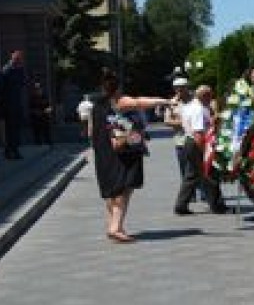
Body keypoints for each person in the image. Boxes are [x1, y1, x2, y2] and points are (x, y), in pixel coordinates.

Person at [90, 68, 169, 243]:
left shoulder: (97, 105)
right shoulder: (118, 101)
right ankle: (115, 227)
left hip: (103, 152)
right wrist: (165, 101)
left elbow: (91, 132)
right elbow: (140, 102)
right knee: (124, 189)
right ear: (117, 87)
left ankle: (114, 224)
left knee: (111, 191)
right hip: (123, 152)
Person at [174, 84, 229, 215]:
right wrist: (205, 150)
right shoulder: (199, 109)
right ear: (204, 96)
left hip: (189, 142)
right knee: (210, 173)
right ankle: (217, 205)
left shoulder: (190, 106)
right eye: (210, 95)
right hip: (197, 142)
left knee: (191, 175)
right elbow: (198, 132)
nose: (212, 98)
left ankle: (181, 205)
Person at [0, 50, 26, 159]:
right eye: (17, 58)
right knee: (10, 129)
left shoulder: (20, 70)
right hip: (8, 104)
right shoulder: (6, 70)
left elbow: (22, 84)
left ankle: (15, 150)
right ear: (12, 58)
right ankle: (9, 151)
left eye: (20, 58)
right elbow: (1, 89)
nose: (19, 60)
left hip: (17, 103)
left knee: (16, 128)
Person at [28, 80, 52, 145]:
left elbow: (49, 107)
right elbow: (30, 108)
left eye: (39, 88)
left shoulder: (45, 97)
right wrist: (35, 112)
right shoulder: (32, 98)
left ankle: (48, 142)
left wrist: (47, 110)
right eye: (36, 89)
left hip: (44, 117)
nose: (38, 90)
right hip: (36, 118)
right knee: (36, 131)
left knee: (46, 131)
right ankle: (38, 143)